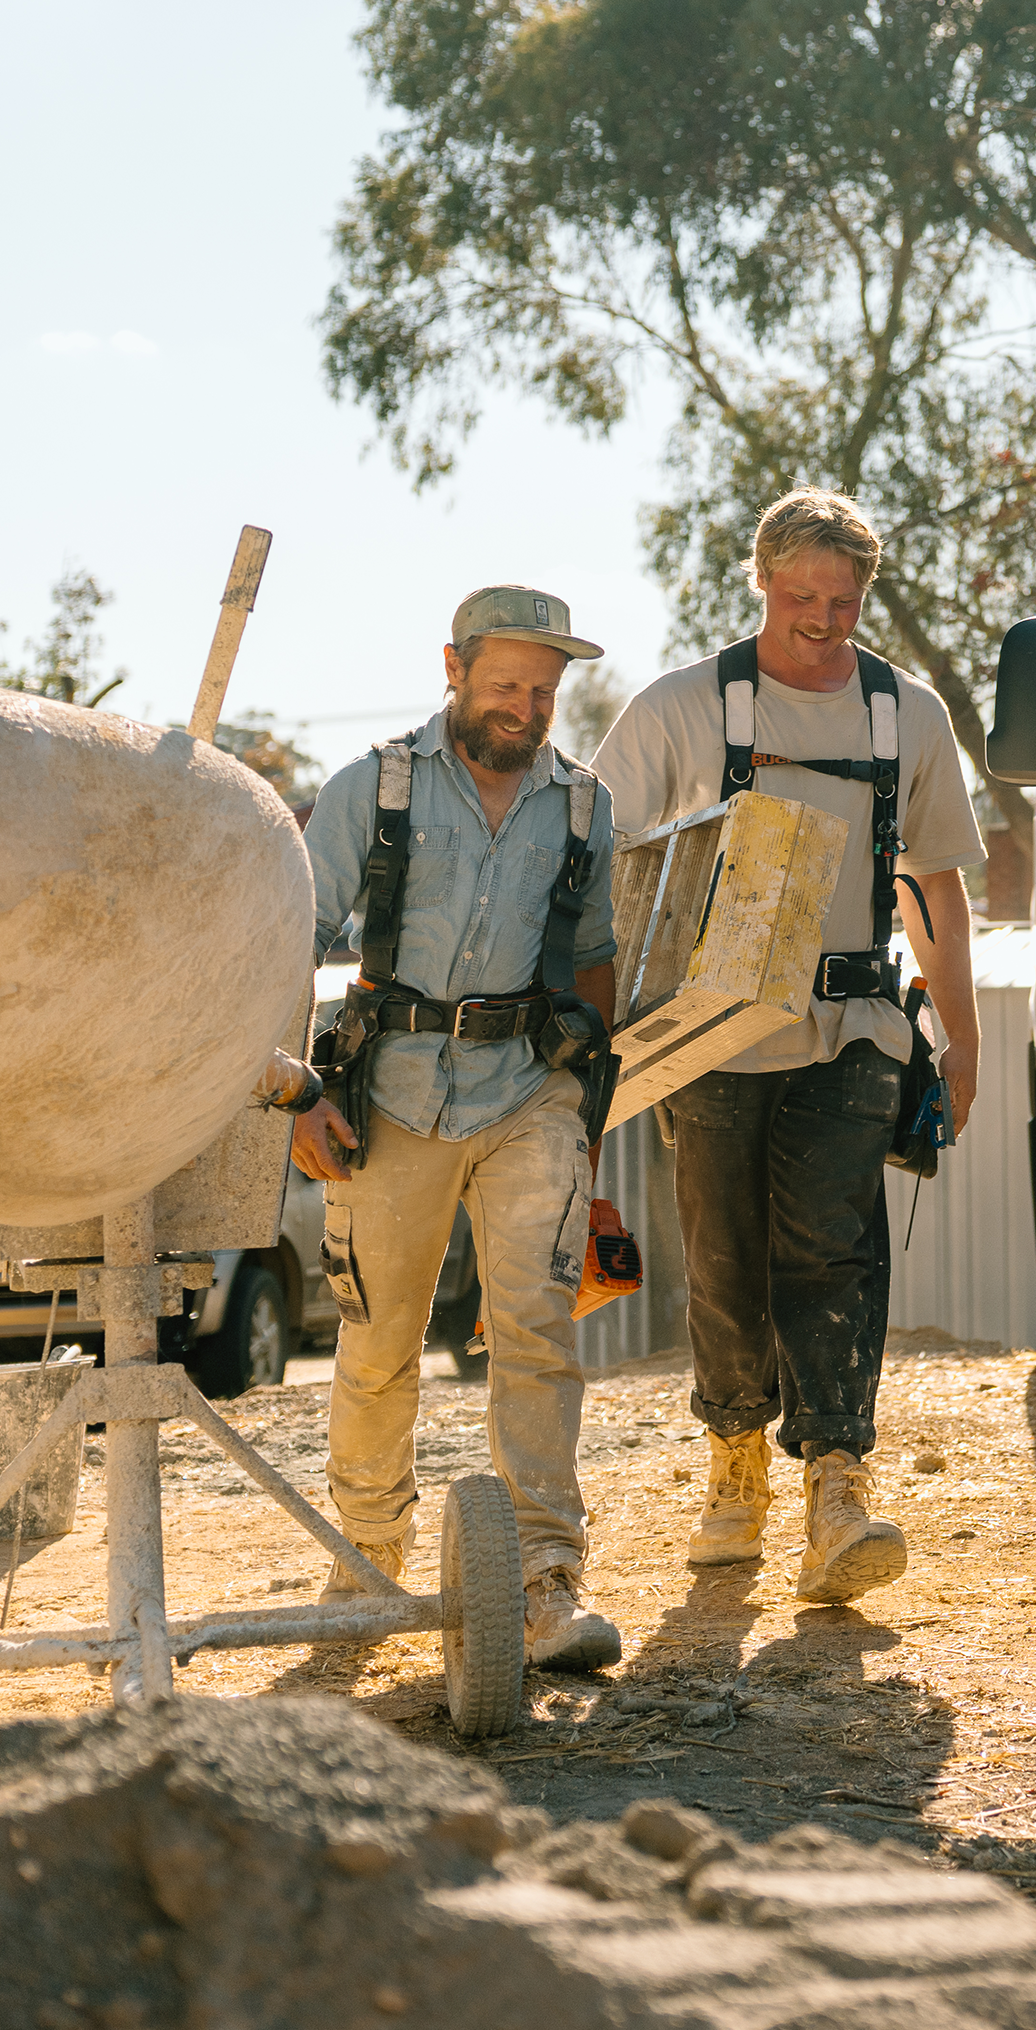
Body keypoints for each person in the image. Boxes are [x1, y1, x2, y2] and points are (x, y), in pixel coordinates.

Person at [593, 488, 986, 1604]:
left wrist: (955, 1040)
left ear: (866, 592)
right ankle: (734, 1461)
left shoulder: (905, 713)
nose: (823, 618)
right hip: (708, 1031)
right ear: (761, 580)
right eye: (802, 595)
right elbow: (600, 865)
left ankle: (838, 1486)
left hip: (853, 1022)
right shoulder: (679, 709)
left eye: (844, 599)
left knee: (833, 1250)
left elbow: (941, 894)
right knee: (725, 1258)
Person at [288, 586, 624, 1671]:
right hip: (389, 1099)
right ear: (453, 668)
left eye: (542, 688)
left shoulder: (583, 805)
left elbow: (595, 961)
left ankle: (543, 1580)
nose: (524, 707)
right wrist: (298, 1092)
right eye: (503, 684)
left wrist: (588, 1118)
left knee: (536, 1331)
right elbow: (288, 937)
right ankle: (365, 1565)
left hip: (530, 1095)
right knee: (380, 1341)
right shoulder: (372, 787)